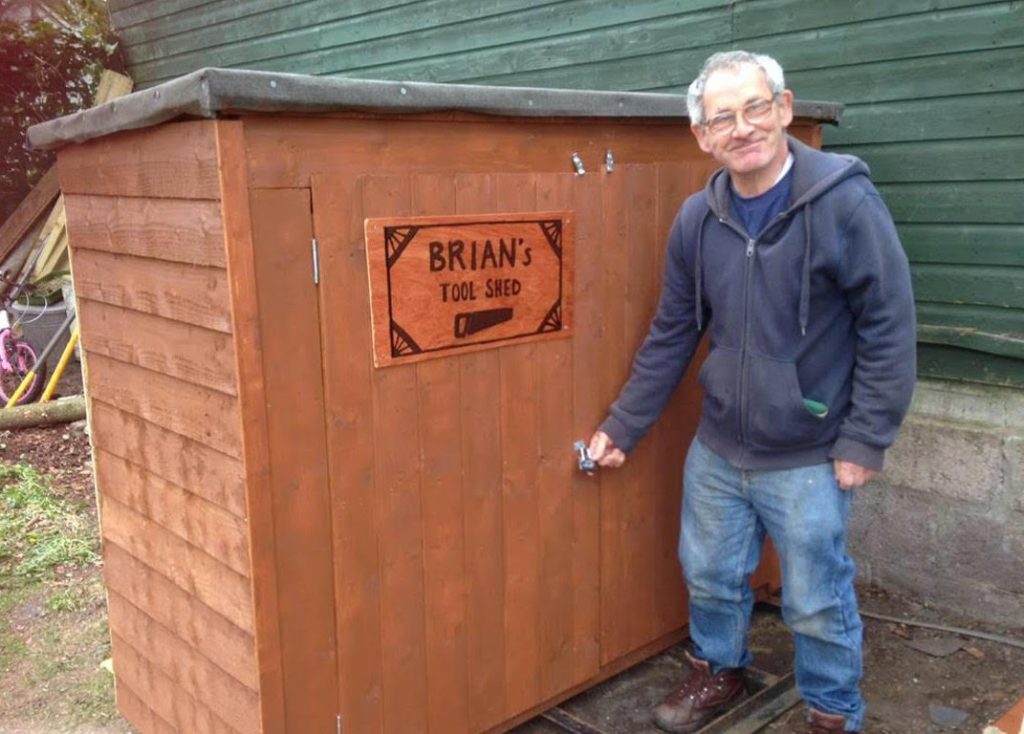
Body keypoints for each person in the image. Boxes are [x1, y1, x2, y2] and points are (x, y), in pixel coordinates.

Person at [587, 50, 916, 734]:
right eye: (722, 118)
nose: (742, 128)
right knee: (708, 573)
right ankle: (718, 669)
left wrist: (864, 439)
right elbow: (674, 331)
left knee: (817, 599)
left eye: (755, 108)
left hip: (810, 450)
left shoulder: (845, 203)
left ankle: (832, 710)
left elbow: (889, 325)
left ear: (784, 108)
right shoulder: (696, 221)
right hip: (720, 445)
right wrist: (623, 427)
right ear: (703, 137)